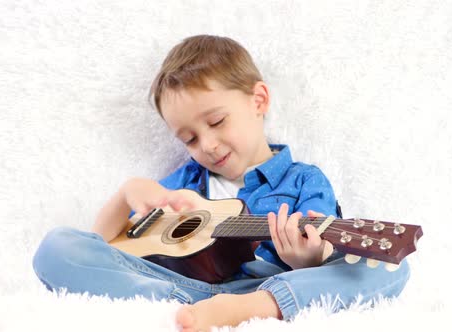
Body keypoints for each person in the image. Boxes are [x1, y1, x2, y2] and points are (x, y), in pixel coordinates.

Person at [32, 35, 410, 331]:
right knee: (56, 248)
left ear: (258, 100)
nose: (207, 146)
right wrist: (127, 192)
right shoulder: (186, 182)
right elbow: (103, 243)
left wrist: (307, 260)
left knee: (389, 268)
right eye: (190, 139)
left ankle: (251, 310)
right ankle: (187, 302)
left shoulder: (303, 180)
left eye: (216, 122)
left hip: (261, 290)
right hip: (173, 284)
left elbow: (323, 250)